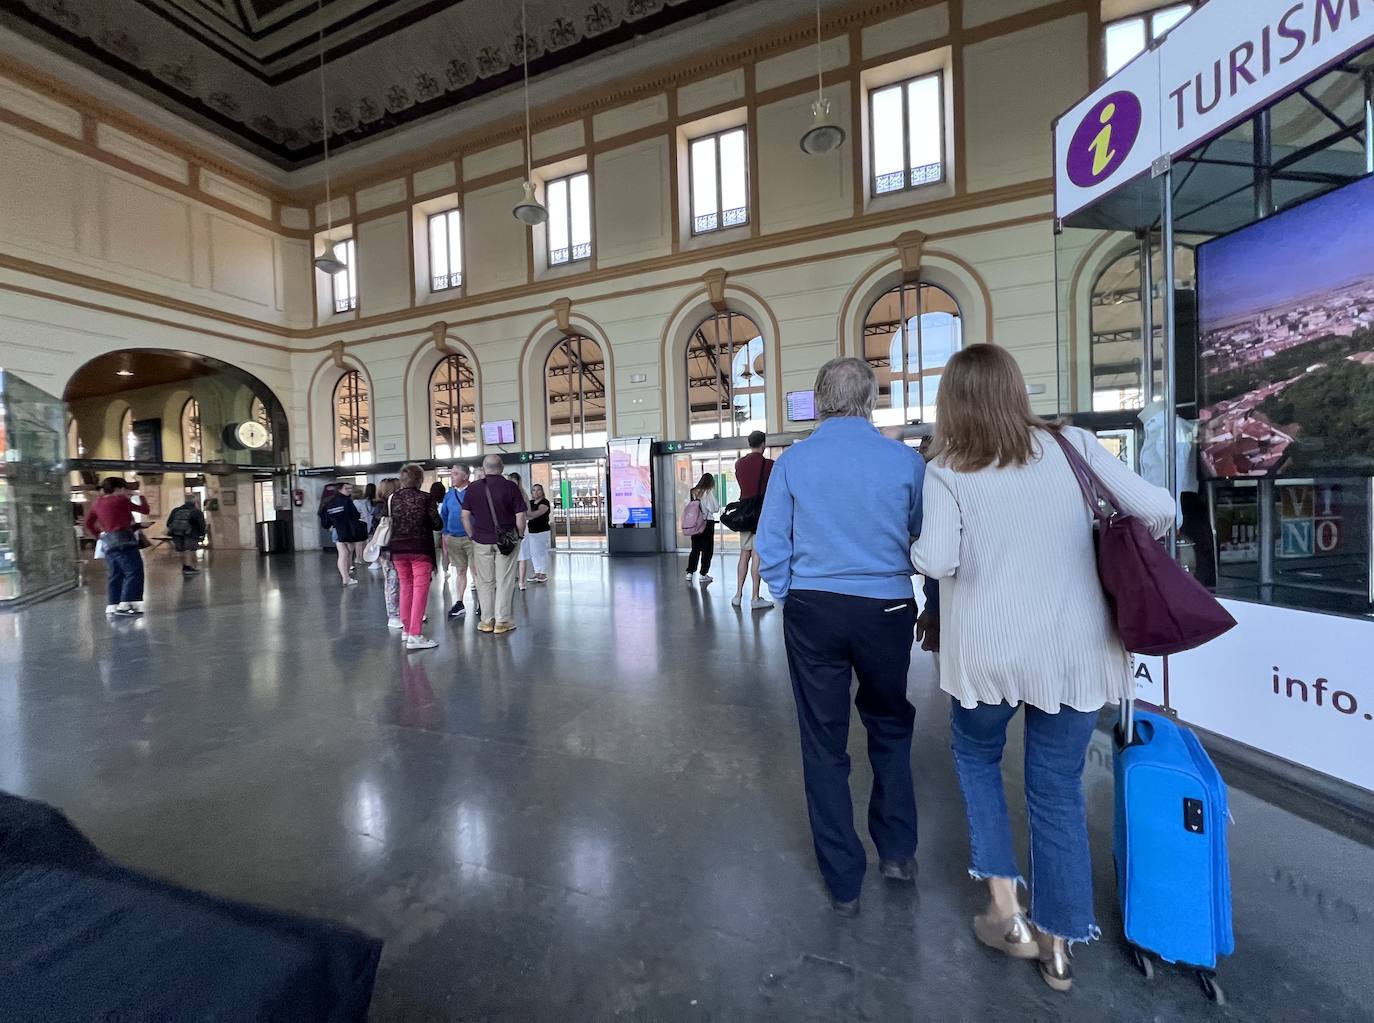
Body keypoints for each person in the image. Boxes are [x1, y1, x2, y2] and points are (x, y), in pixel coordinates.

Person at [910, 344, 1173, 993]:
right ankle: (1060, 945)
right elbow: (1160, 508)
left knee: (976, 758)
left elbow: (937, 559)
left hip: (989, 654)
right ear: (1016, 390)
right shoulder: (1073, 444)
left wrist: (914, 543)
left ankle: (1007, 912)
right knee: (1054, 790)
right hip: (1074, 652)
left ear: (952, 404)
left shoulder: (947, 467)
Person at [755, 358, 926, 916]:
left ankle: (843, 881)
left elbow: (770, 542)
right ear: (871, 400)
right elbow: (923, 536)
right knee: (889, 722)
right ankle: (897, 851)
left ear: (820, 401)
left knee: (823, 740)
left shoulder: (794, 462)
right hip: (887, 605)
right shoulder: (905, 461)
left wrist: (791, 593)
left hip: (814, 608)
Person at [461, 454, 527, 635]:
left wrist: (472, 536)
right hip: (506, 541)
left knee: (484, 581)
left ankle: (486, 621)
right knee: (504, 580)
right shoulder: (510, 487)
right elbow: (520, 516)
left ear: (484, 467)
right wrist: (520, 536)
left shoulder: (473, 489)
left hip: (481, 540)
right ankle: (502, 621)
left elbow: (464, 516)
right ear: (502, 468)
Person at [388, 463, 443, 651]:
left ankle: (406, 630)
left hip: (397, 549)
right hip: (420, 549)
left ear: (402, 480)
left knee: (405, 587)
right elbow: (437, 524)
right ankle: (415, 634)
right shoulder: (426, 498)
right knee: (420, 590)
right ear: (420, 479)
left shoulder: (393, 498)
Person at [85, 477, 150, 616]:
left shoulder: (97, 503)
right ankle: (127, 605)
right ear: (118, 489)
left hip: (108, 542)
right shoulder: (120, 500)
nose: (126, 491)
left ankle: (113, 605)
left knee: (115, 574)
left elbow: (88, 523)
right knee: (134, 571)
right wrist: (140, 495)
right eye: (125, 488)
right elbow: (145, 510)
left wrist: (100, 536)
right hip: (125, 541)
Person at [732, 430, 774, 609]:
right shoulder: (769, 464)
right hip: (761, 514)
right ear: (763, 444)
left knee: (744, 553)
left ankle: (737, 595)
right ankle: (755, 597)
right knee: (757, 554)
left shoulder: (739, 463)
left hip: (744, 513)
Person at [439, 464, 474, 619]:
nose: (452, 476)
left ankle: (483, 603)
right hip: (454, 537)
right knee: (460, 570)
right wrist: (446, 533)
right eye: (451, 474)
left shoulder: (474, 493)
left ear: (465, 476)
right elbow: (444, 515)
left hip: (472, 538)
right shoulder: (449, 494)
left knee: (477, 571)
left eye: (455, 473)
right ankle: (459, 602)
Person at [319, 481, 366, 586]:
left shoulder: (329, 501)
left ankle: (346, 576)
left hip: (336, 530)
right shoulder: (347, 501)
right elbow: (355, 515)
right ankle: (346, 577)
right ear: (340, 489)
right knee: (347, 553)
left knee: (343, 553)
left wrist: (329, 525)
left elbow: (323, 514)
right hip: (348, 530)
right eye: (347, 489)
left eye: (350, 488)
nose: (349, 491)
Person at [374, 477, 403, 630]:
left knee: (393, 581)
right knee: (394, 582)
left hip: (384, 547)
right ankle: (394, 615)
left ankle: (397, 613)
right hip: (392, 547)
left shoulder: (377, 506)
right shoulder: (391, 506)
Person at [684, 473, 720, 583]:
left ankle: (689, 573)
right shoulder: (708, 491)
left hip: (695, 523)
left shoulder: (693, 491)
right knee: (707, 550)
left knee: (695, 548)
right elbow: (715, 508)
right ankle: (703, 574)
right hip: (707, 523)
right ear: (710, 482)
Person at [165, 494, 207, 575]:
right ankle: (189, 567)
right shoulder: (197, 512)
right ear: (194, 501)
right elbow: (201, 525)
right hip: (191, 534)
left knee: (181, 550)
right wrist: (202, 534)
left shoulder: (176, 510)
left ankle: (184, 567)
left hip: (176, 534)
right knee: (189, 550)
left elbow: (168, 523)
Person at [524, 484, 552, 584]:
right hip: (532, 531)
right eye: (534, 490)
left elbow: (536, 514)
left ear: (542, 491)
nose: (536, 492)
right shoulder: (530, 502)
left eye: (538, 490)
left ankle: (543, 573)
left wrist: (525, 515)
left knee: (541, 552)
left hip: (542, 531)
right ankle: (537, 572)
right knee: (533, 553)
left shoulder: (545, 502)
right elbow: (527, 514)